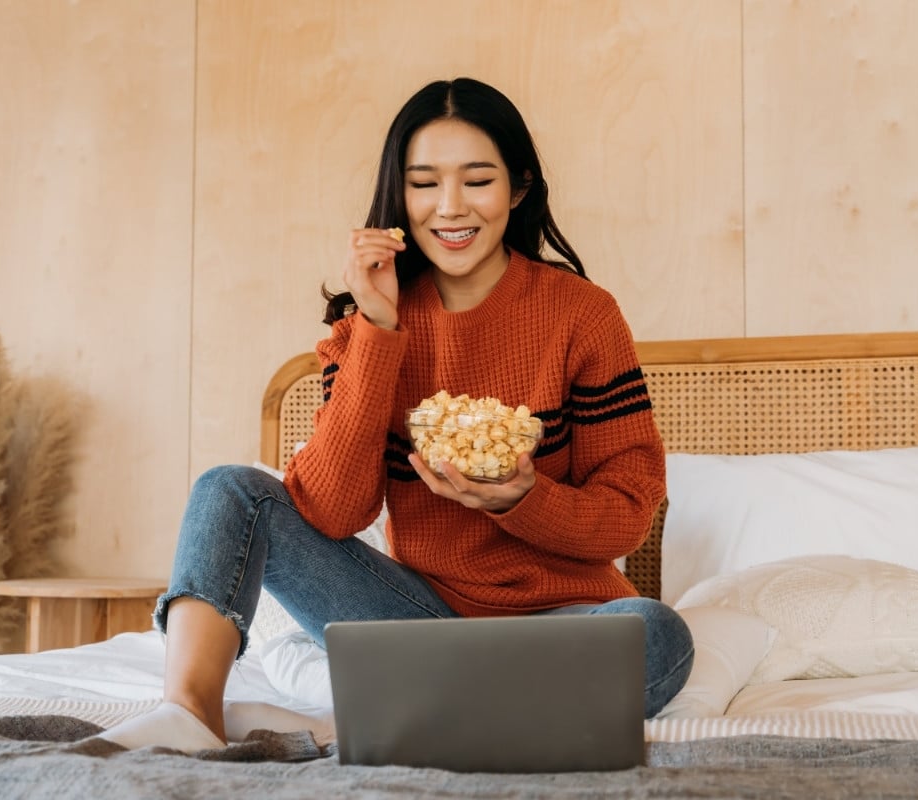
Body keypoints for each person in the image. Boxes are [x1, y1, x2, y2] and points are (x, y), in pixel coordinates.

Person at [101, 77, 693, 753]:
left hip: (563, 621)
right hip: (415, 618)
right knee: (227, 489)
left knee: (658, 634)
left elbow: (628, 512)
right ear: (398, 197)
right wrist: (378, 330)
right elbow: (332, 513)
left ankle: (392, 715)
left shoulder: (582, 316)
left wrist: (524, 497)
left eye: (477, 180)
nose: (449, 208)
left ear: (519, 188)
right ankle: (191, 715)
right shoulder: (364, 328)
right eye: (423, 184)